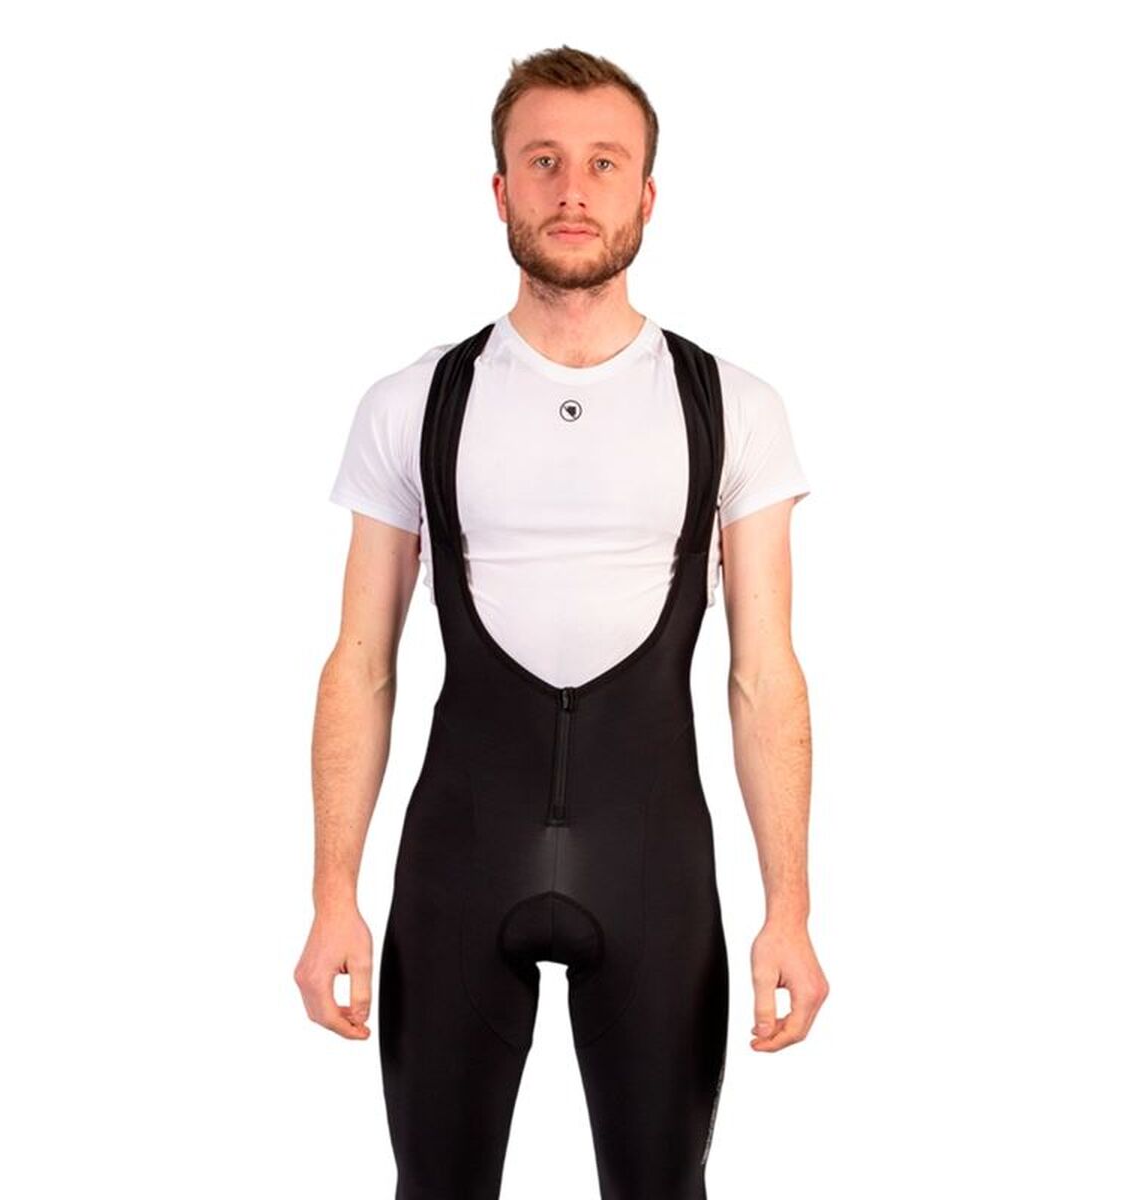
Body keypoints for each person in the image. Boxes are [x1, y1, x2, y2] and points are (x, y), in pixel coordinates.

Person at [295, 44, 829, 1200]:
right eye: (543, 162)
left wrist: (788, 908)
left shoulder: (733, 406)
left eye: (603, 163)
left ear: (648, 193)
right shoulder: (413, 402)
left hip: (655, 866)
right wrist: (334, 893)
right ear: (500, 190)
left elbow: (764, 676)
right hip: (457, 860)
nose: (572, 190)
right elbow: (361, 663)